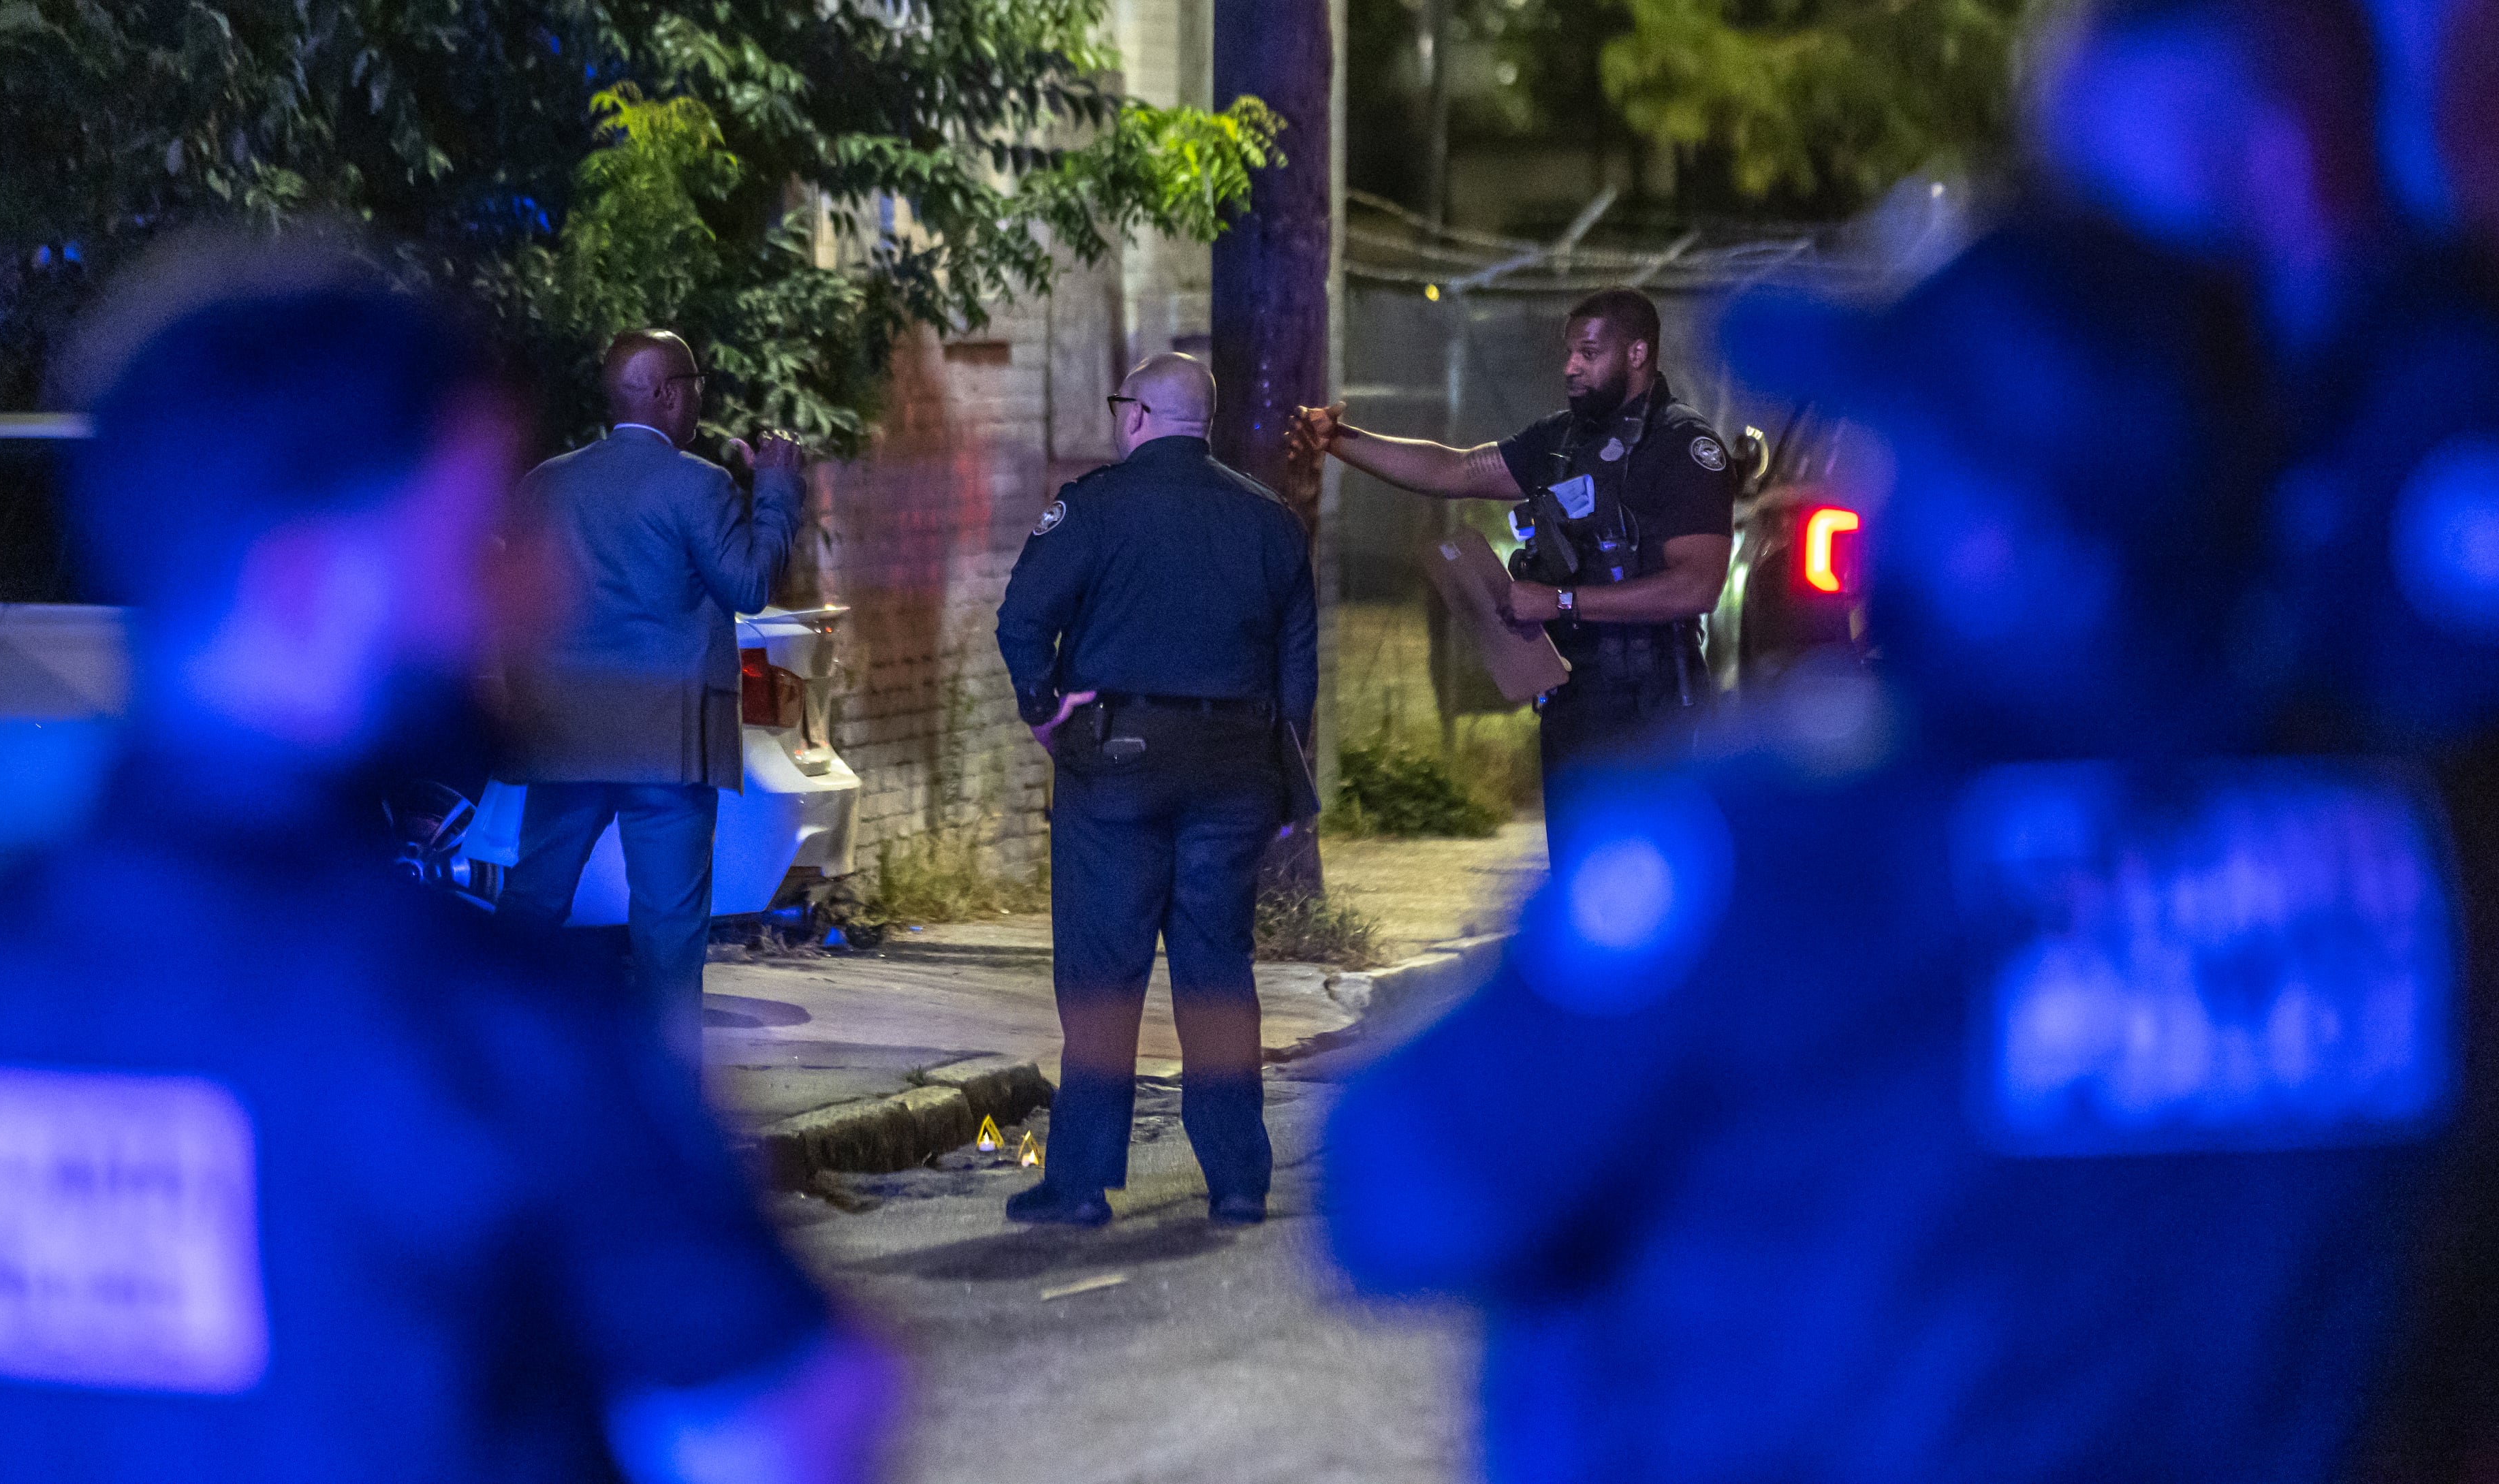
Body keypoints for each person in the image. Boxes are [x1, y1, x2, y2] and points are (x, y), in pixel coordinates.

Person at [1321, 28, 2461, 1474]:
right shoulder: (2405, 849)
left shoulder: (1786, 852)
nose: (1860, 486)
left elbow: (1406, 1188)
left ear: (2000, 530)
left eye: (1901, 449)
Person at [0, 241, 890, 1481]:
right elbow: (779, 1424)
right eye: (472, 541)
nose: (527, 589)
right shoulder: (479, 1019)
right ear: (303, 577)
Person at [992, 352, 1317, 1228]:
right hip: (1235, 769)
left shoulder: (1094, 508)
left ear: (1137, 415)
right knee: (1217, 973)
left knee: (1104, 971)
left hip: (1117, 765)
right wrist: (1283, 790)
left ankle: (1083, 1182)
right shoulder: (1271, 521)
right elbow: (1298, 679)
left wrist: (1047, 714)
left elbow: (1021, 620)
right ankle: (1240, 1180)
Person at [1286, 288, 1738, 842]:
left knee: (1658, 891)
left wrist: (1561, 601)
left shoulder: (1683, 447)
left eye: (1589, 353)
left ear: (1639, 354)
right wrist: (1339, 441)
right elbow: (1459, 471)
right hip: (1573, 702)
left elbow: (1698, 587)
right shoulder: (1562, 440)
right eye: (1569, 351)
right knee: (1578, 884)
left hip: (1658, 712)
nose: (1570, 366)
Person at [494, 330, 804, 1077]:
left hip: (566, 737)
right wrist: (775, 491)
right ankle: (671, 1104)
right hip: (669, 744)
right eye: (694, 381)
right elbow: (748, 587)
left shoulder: (544, 485)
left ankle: (492, 1067)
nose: (700, 394)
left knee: (531, 908)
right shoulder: (697, 485)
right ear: (666, 393)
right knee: (668, 932)